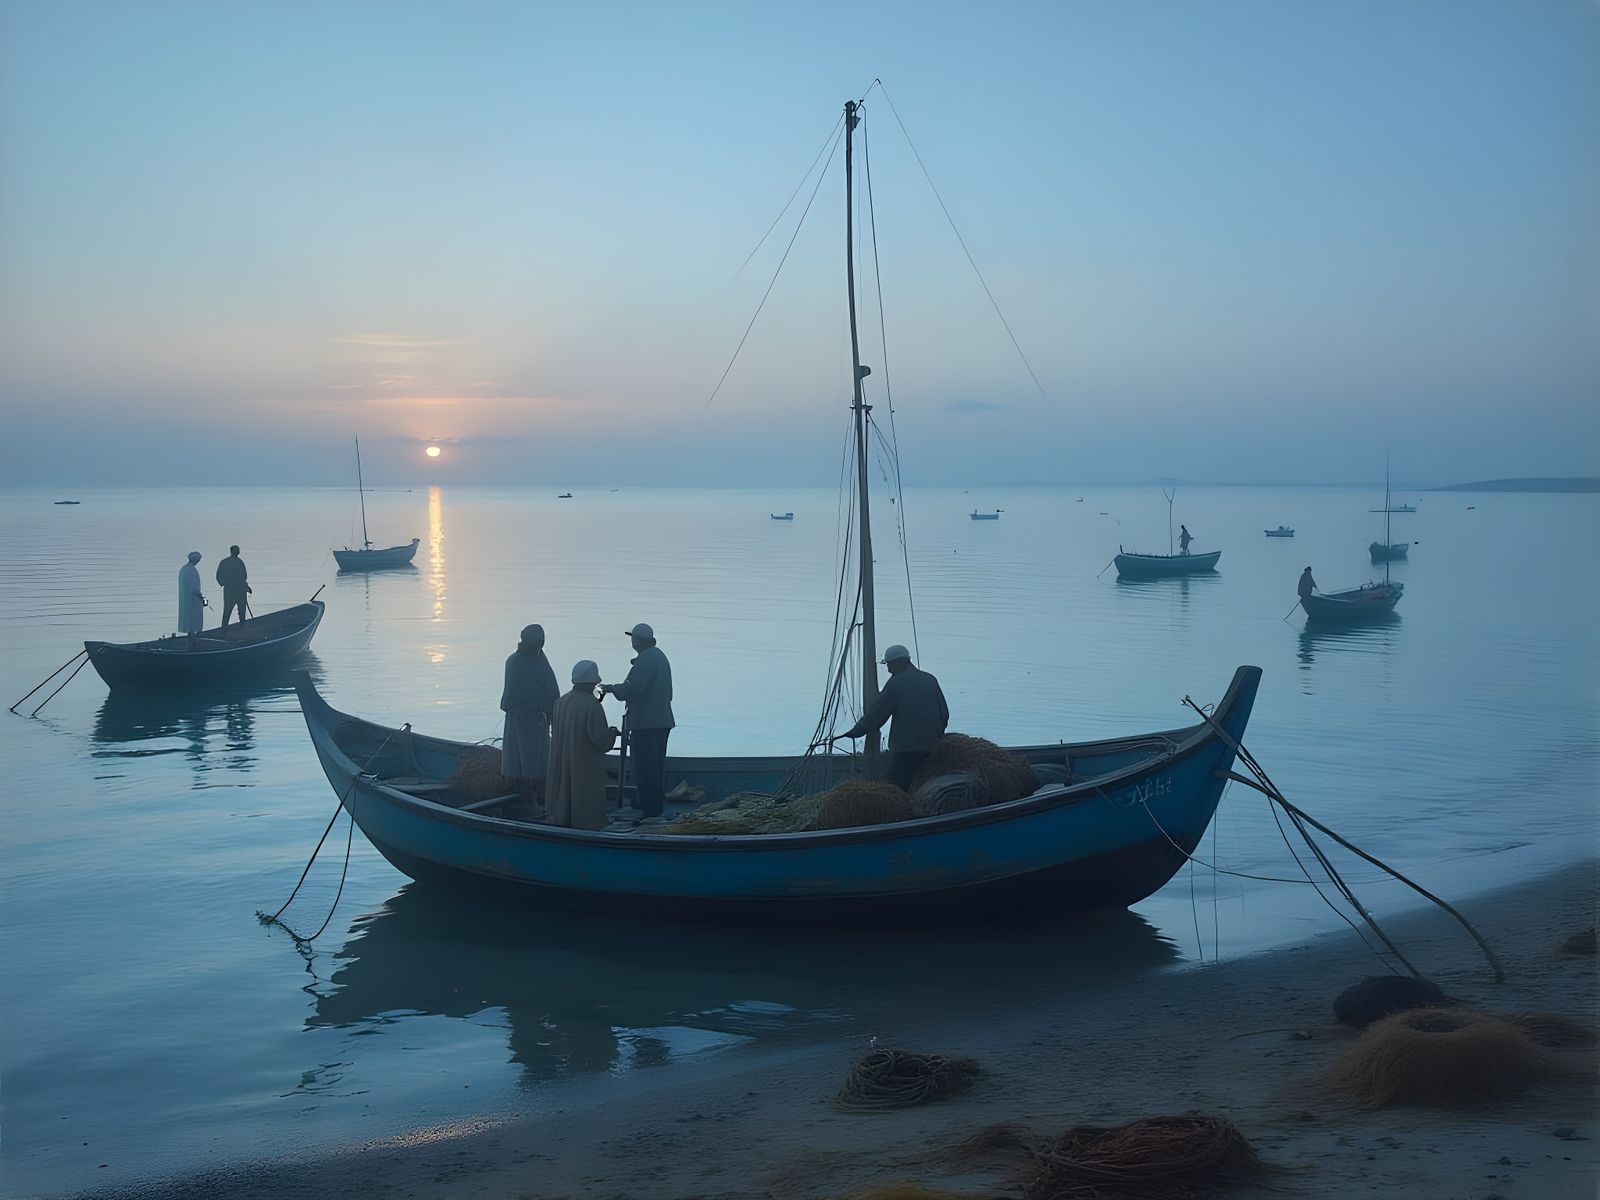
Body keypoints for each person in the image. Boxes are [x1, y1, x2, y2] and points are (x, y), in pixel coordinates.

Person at [831, 644, 949, 792]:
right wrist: (936, 736)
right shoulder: (930, 680)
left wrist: (857, 730)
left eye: (889, 664)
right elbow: (944, 714)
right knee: (923, 785)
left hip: (905, 750)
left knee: (894, 788)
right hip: (931, 747)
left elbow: (878, 714)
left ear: (899, 662)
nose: (887, 669)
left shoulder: (896, 683)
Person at [602, 622, 674, 818]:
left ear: (638, 641)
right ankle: (649, 801)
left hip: (647, 723)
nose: (631, 641)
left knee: (646, 767)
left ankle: (651, 809)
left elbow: (631, 690)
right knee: (655, 766)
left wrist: (610, 688)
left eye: (633, 638)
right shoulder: (656, 656)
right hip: (660, 720)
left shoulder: (646, 660)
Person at [547, 660, 620, 831]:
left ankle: (561, 817)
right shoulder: (591, 705)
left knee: (564, 787)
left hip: (563, 759)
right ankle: (586, 822)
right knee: (583, 793)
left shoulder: (561, 701)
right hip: (584, 764)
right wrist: (612, 732)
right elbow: (600, 740)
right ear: (592, 682)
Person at [500, 624, 560, 814]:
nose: (540, 645)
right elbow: (513, 694)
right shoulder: (515, 662)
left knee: (538, 761)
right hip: (522, 719)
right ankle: (527, 799)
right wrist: (536, 707)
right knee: (525, 762)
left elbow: (551, 688)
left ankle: (539, 798)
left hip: (539, 719)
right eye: (537, 641)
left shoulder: (540, 660)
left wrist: (553, 711)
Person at [215, 545, 252, 628]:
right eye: (237, 550)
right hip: (239, 590)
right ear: (235, 552)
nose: (238, 552)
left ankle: (224, 629)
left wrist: (224, 584)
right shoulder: (239, 562)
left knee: (227, 611)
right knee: (241, 610)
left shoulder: (224, 562)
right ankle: (241, 627)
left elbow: (218, 576)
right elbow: (244, 577)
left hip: (230, 590)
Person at [177, 551, 206, 637]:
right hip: (192, 599)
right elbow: (193, 588)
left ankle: (191, 635)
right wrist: (201, 597)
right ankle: (193, 638)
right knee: (193, 619)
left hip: (186, 598)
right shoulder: (191, 570)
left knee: (188, 618)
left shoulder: (184, 569)